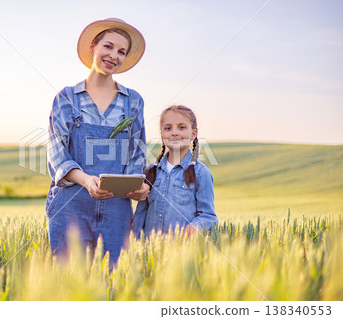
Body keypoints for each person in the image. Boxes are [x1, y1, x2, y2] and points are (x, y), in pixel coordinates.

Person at [46, 18, 150, 264]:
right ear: (93, 47)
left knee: (114, 282)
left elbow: (137, 153)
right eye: (108, 46)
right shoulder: (66, 97)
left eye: (121, 51)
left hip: (117, 207)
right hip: (71, 203)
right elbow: (57, 153)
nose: (114, 55)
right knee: (69, 283)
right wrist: (86, 180)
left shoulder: (133, 101)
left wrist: (138, 185)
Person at [132, 105, 218, 238]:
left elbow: (209, 216)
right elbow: (140, 215)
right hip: (150, 252)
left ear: (193, 134)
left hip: (181, 251)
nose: (174, 132)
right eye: (168, 128)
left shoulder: (201, 173)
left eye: (181, 127)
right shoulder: (150, 172)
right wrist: (134, 245)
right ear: (162, 135)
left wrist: (196, 225)